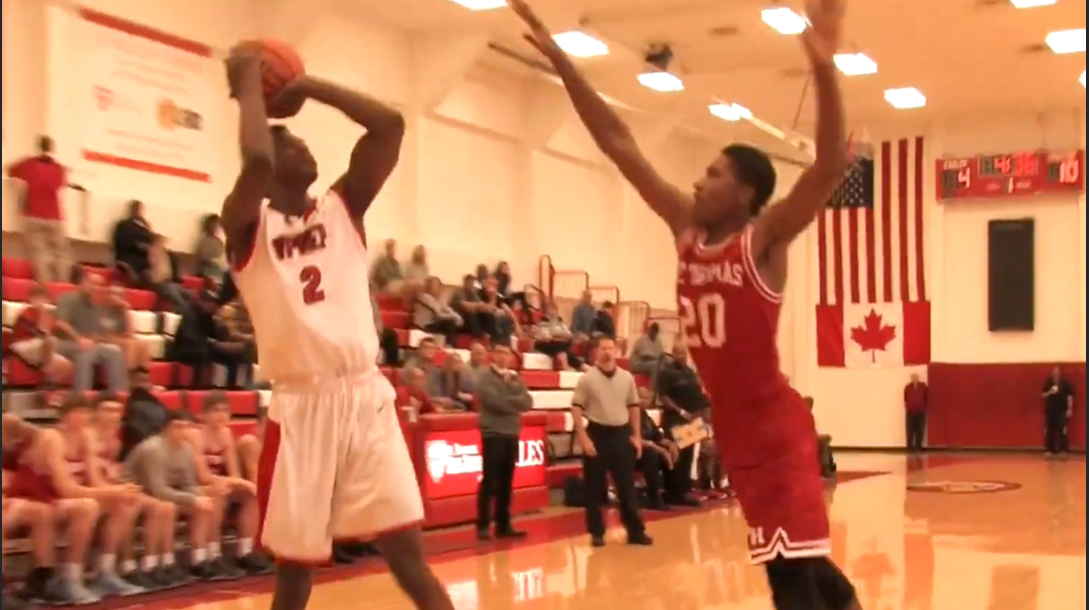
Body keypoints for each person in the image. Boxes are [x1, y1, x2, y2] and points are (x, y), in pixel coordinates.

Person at [509, 0, 860, 607]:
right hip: (736, 429)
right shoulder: (686, 228)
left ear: (745, 194)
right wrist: (563, 62)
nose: (698, 181)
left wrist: (824, 67)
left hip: (775, 426)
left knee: (789, 575)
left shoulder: (763, 239)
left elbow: (827, 166)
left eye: (713, 174)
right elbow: (619, 141)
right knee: (804, 564)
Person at [219, 43, 454, 610]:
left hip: (365, 396)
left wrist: (309, 86)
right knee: (294, 577)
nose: (303, 144)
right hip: (302, 407)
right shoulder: (247, 227)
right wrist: (249, 87)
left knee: (408, 557)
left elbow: (389, 124)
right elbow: (256, 162)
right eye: (290, 142)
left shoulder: (341, 207)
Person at [89, 392, 187, 590]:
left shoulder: (115, 440)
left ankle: (152, 565)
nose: (113, 415)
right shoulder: (88, 437)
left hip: (110, 488)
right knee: (128, 503)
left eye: (117, 411)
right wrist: (116, 488)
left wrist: (117, 481)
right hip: (90, 491)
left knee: (164, 507)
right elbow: (91, 479)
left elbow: (110, 471)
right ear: (94, 412)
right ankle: (121, 567)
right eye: (107, 410)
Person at [570, 337, 651, 547]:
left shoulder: (626, 377)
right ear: (596, 352)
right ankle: (597, 532)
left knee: (626, 486)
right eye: (603, 348)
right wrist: (583, 437)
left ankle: (635, 531)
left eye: (610, 348)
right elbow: (576, 408)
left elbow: (633, 407)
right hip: (597, 433)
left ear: (616, 351)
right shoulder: (587, 379)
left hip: (621, 434)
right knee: (594, 486)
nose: (607, 351)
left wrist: (636, 436)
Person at [124, 410, 223, 580]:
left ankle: (198, 559)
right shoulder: (153, 449)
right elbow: (157, 489)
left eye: (186, 427)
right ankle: (151, 565)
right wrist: (193, 499)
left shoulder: (187, 449)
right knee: (166, 507)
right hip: (135, 490)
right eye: (178, 426)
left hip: (164, 491)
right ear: (166, 428)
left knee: (206, 503)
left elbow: (188, 484)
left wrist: (199, 497)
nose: (182, 431)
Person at [188, 392, 269, 575]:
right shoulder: (195, 435)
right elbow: (202, 476)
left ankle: (245, 552)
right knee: (218, 493)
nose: (221, 415)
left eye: (225, 411)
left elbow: (234, 472)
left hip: (219, 483)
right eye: (215, 411)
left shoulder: (226, 434)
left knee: (250, 495)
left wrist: (239, 483)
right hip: (194, 485)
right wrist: (236, 482)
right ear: (204, 415)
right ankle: (209, 555)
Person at [474, 343, 533, 540]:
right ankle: (483, 524)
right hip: (493, 434)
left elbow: (527, 402)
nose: (503, 356)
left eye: (506, 353)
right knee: (490, 480)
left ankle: (503, 524)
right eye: (499, 352)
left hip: (512, 434)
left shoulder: (515, 377)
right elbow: (494, 403)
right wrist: (514, 399)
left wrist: (510, 398)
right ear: (492, 355)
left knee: (507, 481)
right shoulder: (485, 376)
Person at [6, 135, 83, 283]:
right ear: (52, 149)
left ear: (38, 147)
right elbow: (61, 183)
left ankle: (46, 286)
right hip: (55, 217)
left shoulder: (29, 164)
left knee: (39, 254)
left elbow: (9, 170)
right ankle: (62, 284)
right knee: (61, 254)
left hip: (33, 215)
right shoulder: (59, 169)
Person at [54, 268, 128, 392]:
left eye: (99, 285)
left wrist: (96, 338)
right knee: (86, 353)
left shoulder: (97, 306)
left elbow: (98, 331)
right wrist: (79, 339)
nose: (96, 287)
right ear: (83, 282)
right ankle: (83, 395)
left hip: (89, 344)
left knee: (115, 351)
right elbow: (61, 323)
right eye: (93, 283)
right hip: (66, 343)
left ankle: (118, 393)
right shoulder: (68, 298)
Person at [654, 343, 706, 506]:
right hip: (675, 417)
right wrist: (681, 411)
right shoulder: (666, 373)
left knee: (689, 456)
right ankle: (673, 493)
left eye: (683, 353)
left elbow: (698, 394)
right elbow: (663, 396)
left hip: (692, 418)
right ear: (672, 353)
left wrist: (698, 414)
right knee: (677, 456)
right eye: (677, 353)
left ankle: (684, 492)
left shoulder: (689, 372)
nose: (681, 356)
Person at [9, 283, 72, 389]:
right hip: (22, 343)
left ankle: (48, 386)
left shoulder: (48, 315)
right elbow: (38, 333)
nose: (40, 301)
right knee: (50, 341)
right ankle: (47, 372)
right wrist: (44, 322)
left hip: (42, 348)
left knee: (67, 365)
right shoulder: (26, 313)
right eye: (37, 298)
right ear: (31, 299)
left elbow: (55, 333)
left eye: (43, 298)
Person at [1041, 367, 1074, 457]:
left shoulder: (1065, 384)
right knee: (1049, 431)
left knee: (1062, 430)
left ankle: (1063, 450)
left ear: (1060, 373)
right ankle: (1049, 450)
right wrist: (1049, 392)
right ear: (1052, 373)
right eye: (1054, 372)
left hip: (1062, 411)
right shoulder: (1048, 383)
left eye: (1057, 372)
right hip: (1050, 411)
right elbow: (1043, 395)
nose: (1056, 373)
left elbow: (1069, 396)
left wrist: (1069, 409)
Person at [903, 373, 928, 453]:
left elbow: (926, 397)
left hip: (920, 411)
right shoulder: (908, 387)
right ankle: (910, 448)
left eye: (916, 377)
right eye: (913, 377)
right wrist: (908, 407)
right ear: (911, 378)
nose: (914, 379)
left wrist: (924, 407)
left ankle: (918, 447)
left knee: (920, 430)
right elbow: (905, 398)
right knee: (910, 430)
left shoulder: (923, 386)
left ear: (918, 378)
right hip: (910, 412)